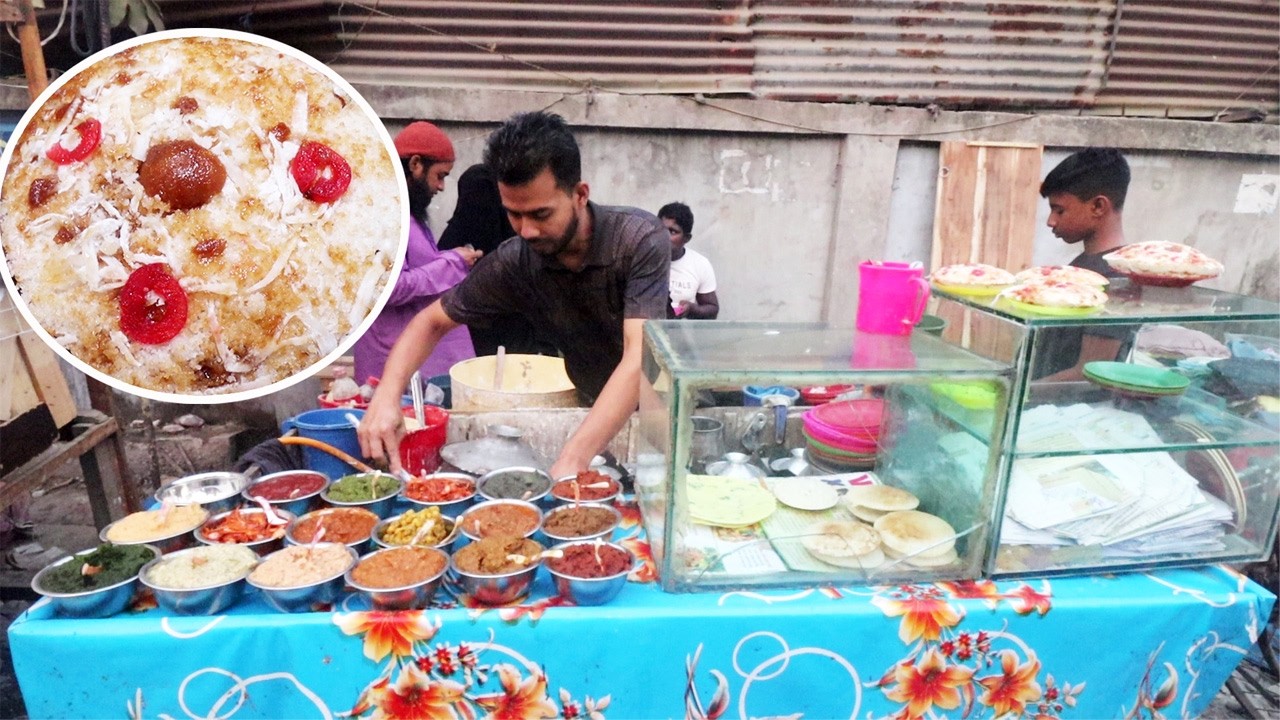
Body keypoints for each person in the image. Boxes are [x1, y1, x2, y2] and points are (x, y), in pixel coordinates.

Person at [358, 111, 670, 478]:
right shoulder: (517, 260)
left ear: (580, 195)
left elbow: (638, 356)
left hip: (661, 410)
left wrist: (572, 458)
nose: (528, 231)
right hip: (591, 408)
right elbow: (431, 321)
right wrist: (386, 397)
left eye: (541, 214)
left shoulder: (637, 240)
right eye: (514, 215)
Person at [352, 121, 483, 384]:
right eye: (440, 175)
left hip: (409, 354)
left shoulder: (405, 211)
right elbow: (389, 287)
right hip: (390, 357)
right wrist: (453, 262)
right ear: (415, 165)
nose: (442, 186)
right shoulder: (383, 214)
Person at [438, 163, 557, 357]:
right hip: (474, 334)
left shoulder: (520, 246)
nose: (478, 210)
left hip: (516, 334)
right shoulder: (456, 240)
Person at [1034, 148, 1131, 380]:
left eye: (1060, 210)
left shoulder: (1117, 278)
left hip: (1072, 411)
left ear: (1098, 206)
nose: (1051, 221)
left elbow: (1087, 373)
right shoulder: (1082, 266)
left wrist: (1016, 394)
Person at [659, 202, 719, 319]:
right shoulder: (641, 260)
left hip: (681, 336)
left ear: (686, 238)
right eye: (661, 229)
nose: (664, 236)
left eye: (673, 232)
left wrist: (692, 309)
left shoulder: (699, 264)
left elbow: (712, 309)